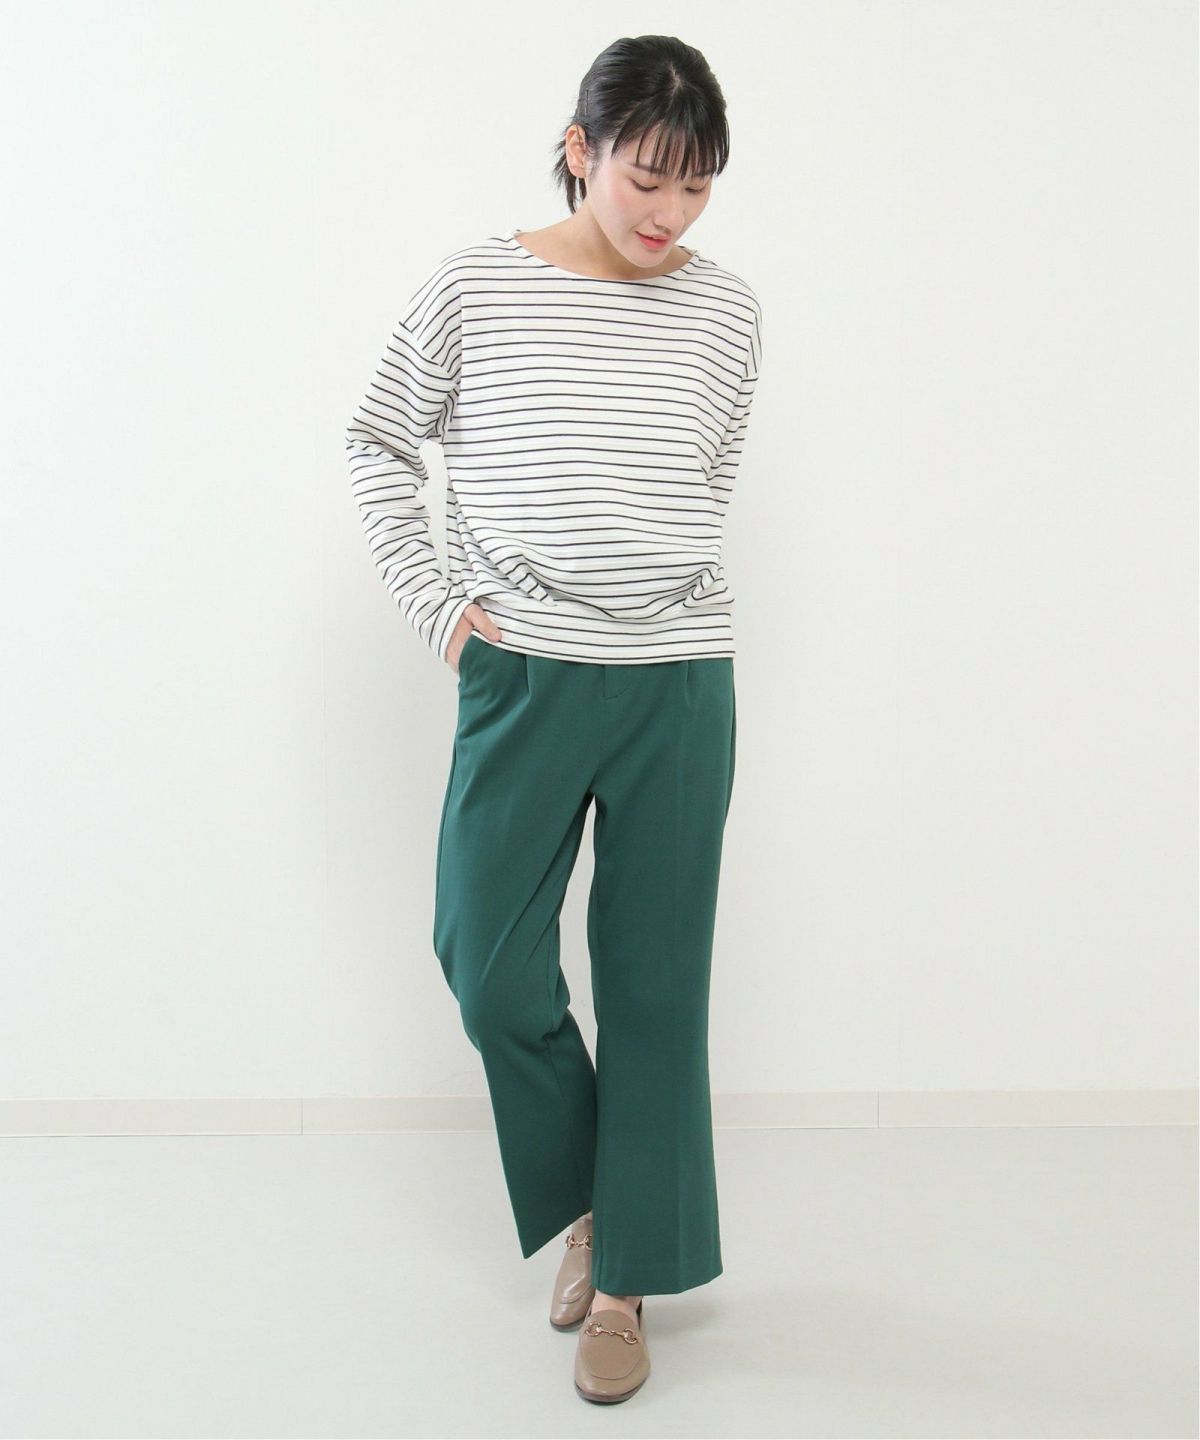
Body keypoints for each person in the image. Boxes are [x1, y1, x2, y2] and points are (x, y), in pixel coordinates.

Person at [343, 33, 763, 1405]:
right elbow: (376, 440)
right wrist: (442, 610)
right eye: (648, 177)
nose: (669, 213)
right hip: (522, 671)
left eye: (696, 186)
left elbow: (698, 479)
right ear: (581, 150)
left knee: (654, 986)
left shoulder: (728, 311)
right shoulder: (475, 286)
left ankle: (624, 1281)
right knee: (486, 963)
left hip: (678, 680)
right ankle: (593, 1202)